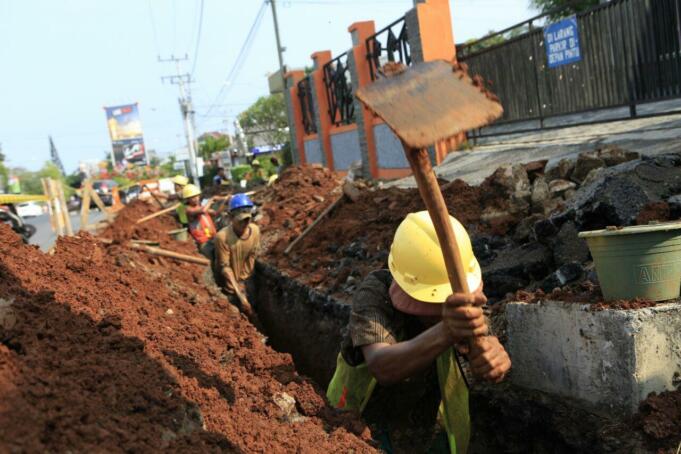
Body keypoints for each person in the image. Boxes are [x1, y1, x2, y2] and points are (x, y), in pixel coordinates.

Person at [326, 211, 511, 454]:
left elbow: (484, 346)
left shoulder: (466, 300)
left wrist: (493, 356)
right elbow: (383, 366)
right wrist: (445, 331)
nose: (440, 309)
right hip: (359, 426)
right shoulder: (375, 294)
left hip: (428, 428)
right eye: (433, 301)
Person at [214, 193, 260, 317]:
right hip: (231, 286)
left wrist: (244, 280)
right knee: (239, 316)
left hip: (247, 281)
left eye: (247, 219)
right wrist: (240, 295)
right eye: (241, 220)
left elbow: (252, 255)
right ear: (230, 217)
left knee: (255, 310)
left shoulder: (255, 231)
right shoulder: (222, 237)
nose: (245, 223)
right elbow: (225, 267)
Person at [182, 184, 217, 256]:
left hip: (213, 238)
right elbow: (203, 211)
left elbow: (215, 212)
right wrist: (210, 201)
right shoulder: (188, 209)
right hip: (204, 243)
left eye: (197, 196)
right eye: (193, 197)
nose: (196, 199)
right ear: (187, 199)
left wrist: (224, 202)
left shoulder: (200, 207)